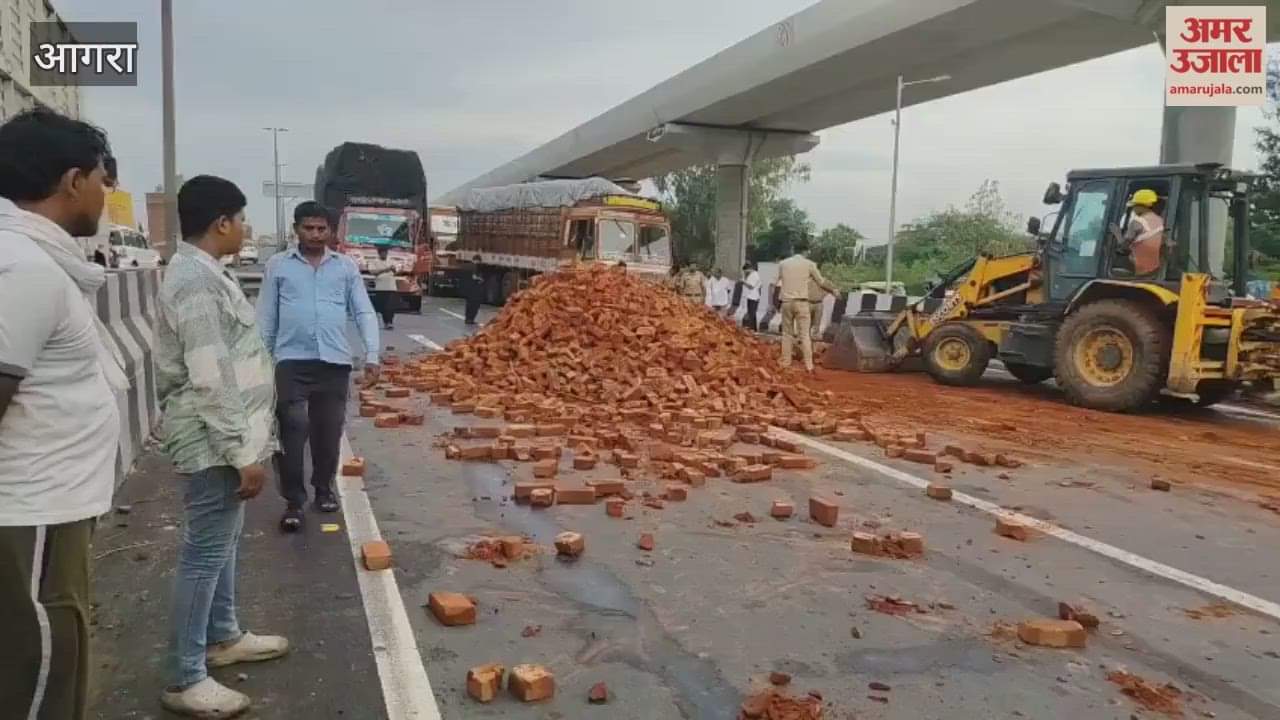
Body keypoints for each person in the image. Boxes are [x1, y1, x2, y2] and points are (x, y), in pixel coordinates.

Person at [0, 108, 126, 720]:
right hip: (30, 515)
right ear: (72, 180)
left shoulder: (35, 262)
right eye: (104, 179)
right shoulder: (21, 268)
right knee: (40, 675)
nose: (107, 194)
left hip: (46, 513)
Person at [155, 175, 287, 717]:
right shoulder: (195, 281)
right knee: (205, 553)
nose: (246, 227)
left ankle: (223, 635)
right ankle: (186, 675)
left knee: (224, 544)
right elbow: (210, 374)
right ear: (222, 223)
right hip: (213, 442)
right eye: (242, 217)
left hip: (225, 437)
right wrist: (242, 451)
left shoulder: (209, 273)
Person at [257, 201, 380, 531]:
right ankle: (293, 501)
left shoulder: (345, 268)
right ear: (296, 229)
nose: (314, 234)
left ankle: (324, 489)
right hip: (290, 362)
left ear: (332, 231)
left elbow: (364, 312)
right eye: (308, 228)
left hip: (334, 363)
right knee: (293, 430)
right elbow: (266, 317)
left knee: (328, 432)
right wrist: (261, 361)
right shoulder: (278, 266)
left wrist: (372, 354)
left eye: (321, 228)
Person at [778, 236, 836, 372]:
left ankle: (786, 362)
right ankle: (809, 365)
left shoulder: (783, 264)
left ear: (793, 249)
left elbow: (774, 283)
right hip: (802, 302)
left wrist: (774, 301)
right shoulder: (809, 264)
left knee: (787, 334)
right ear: (806, 251)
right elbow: (821, 282)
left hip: (786, 302)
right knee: (804, 334)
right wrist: (833, 290)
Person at [1118, 189, 1165, 277]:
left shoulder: (1137, 222)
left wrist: (1117, 234)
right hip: (1155, 268)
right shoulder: (1160, 221)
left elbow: (1124, 245)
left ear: (1142, 206)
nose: (1134, 209)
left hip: (1139, 267)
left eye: (1134, 206)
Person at [367, 246, 399, 330]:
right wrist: (386, 269)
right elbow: (373, 272)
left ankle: (390, 322)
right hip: (380, 287)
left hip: (391, 287)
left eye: (386, 253)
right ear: (379, 253)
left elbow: (397, 271)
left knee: (390, 306)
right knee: (383, 307)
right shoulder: (374, 262)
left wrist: (394, 269)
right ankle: (386, 322)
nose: (385, 254)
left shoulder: (391, 261)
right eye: (383, 253)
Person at [464, 254, 485, 325]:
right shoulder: (474, 267)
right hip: (474, 289)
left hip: (467, 289)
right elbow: (474, 277)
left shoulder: (467, 266)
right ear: (477, 260)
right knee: (475, 305)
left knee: (468, 305)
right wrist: (480, 279)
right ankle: (471, 319)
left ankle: (467, 319)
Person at [741, 262, 761, 331]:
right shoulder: (749, 275)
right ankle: (754, 328)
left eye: (746, 270)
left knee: (751, 314)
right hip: (749, 296)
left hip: (754, 297)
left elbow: (751, 286)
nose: (745, 272)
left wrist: (743, 282)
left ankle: (751, 328)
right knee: (752, 313)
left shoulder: (755, 275)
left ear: (749, 268)